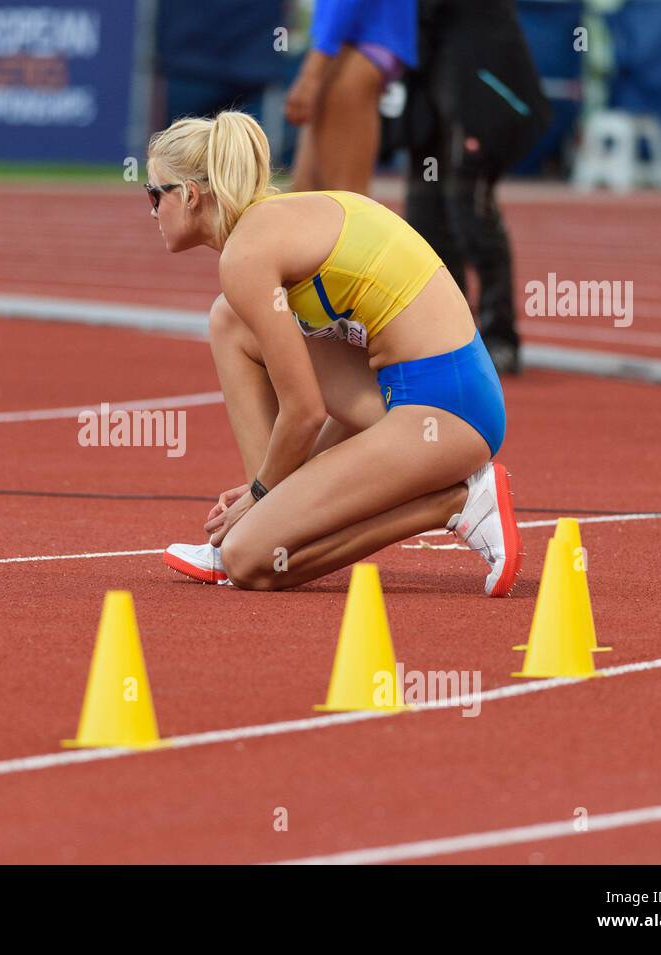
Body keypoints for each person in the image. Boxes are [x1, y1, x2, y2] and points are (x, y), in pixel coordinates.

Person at [149, 112, 521, 594]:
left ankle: (454, 502)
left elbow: (304, 411)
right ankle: (274, 522)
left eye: (154, 195)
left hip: (447, 410)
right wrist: (272, 490)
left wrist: (261, 493)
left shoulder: (246, 255)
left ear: (191, 195)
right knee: (230, 319)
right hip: (423, 386)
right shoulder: (280, 219)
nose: (152, 211)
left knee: (250, 562)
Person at [403, 0, 550, 375]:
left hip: (477, 92)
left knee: (471, 214)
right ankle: (449, 336)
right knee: (425, 220)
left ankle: (500, 337)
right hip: (430, 93)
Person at [284, 0, 416, 194]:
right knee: (308, 193)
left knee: (344, 198)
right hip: (349, 43)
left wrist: (310, 73)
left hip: (355, 44)